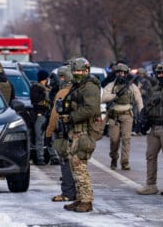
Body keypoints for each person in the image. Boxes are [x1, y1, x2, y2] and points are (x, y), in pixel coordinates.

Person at [57, 57, 101, 212]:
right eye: (75, 71)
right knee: (74, 166)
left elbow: (90, 109)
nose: (77, 73)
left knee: (79, 166)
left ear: (87, 71)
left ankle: (86, 201)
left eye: (80, 71)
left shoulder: (89, 87)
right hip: (75, 130)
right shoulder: (79, 85)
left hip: (84, 132)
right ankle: (80, 198)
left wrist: (72, 116)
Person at [136, 62, 163, 196]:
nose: (161, 75)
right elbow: (148, 107)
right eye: (159, 73)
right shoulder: (155, 89)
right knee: (150, 156)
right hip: (154, 127)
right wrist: (143, 122)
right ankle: (151, 184)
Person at [101, 63, 143, 171]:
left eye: (123, 73)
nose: (121, 75)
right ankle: (114, 159)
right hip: (114, 116)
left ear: (126, 74)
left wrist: (142, 113)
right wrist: (115, 95)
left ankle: (125, 162)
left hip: (127, 115)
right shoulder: (111, 85)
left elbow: (139, 100)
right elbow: (103, 97)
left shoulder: (131, 86)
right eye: (119, 73)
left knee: (126, 140)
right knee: (114, 140)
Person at [45, 66, 76, 202]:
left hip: (65, 133)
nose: (59, 79)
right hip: (79, 132)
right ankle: (81, 191)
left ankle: (68, 192)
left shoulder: (62, 92)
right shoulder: (80, 90)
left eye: (61, 77)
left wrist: (48, 134)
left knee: (65, 162)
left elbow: (54, 116)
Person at [31, 70, 59, 165]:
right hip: (40, 114)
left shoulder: (48, 88)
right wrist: (45, 92)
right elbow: (36, 99)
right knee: (40, 137)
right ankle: (40, 157)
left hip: (49, 115)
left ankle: (53, 156)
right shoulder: (36, 88)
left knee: (50, 136)